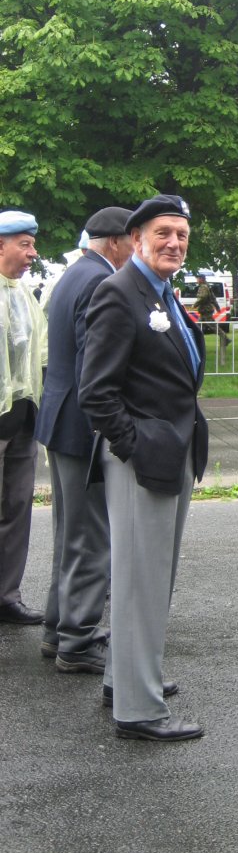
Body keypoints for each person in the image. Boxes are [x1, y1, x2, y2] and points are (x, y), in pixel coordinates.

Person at [79, 194, 208, 741]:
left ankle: (125, 678)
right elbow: (96, 392)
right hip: (144, 460)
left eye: (181, 234)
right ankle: (139, 711)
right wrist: (135, 446)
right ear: (136, 239)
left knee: (154, 579)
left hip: (171, 452)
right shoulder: (118, 292)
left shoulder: (161, 291)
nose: (174, 243)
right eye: (163, 233)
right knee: (140, 584)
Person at [34, 207, 133, 672]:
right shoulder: (101, 281)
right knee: (91, 537)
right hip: (83, 427)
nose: (138, 249)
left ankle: (59, 628)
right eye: (134, 240)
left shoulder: (77, 273)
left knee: (71, 533)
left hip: (63, 420)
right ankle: (78, 638)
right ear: (114, 242)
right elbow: (94, 365)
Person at [0, 211, 47, 625]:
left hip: (22, 421)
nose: (33, 253)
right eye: (25, 244)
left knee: (17, 510)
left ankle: (6, 596)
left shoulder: (23, 294)